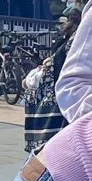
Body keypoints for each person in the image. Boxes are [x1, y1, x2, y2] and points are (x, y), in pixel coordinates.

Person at [22, 12, 79, 154]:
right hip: (66, 109)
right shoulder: (78, 41)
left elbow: (48, 71)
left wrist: (27, 82)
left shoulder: (67, 43)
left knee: (44, 159)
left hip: (53, 110)